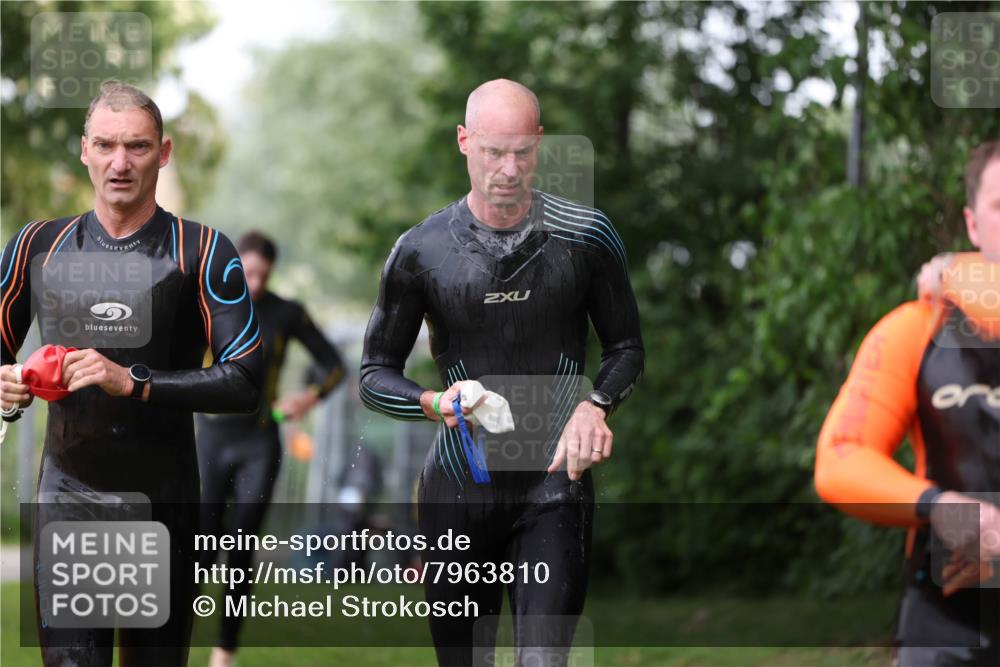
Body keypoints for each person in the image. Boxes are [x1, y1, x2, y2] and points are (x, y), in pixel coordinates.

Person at [359, 79, 644, 665]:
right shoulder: (420, 251)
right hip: (458, 490)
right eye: (493, 151)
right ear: (464, 142)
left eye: (522, 151)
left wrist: (596, 405)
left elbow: (626, 348)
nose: (508, 169)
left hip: (554, 483)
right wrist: (435, 402)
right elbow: (373, 374)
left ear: (540, 143)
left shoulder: (586, 237)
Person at [0, 80, 262, 667]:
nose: (121, 163)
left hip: (162, 503)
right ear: (84, 149)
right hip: (68, 494)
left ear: (163, 153)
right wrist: (8, 389)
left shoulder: (201, 251)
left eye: (138, 147)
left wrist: (133, 381)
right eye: (107, 145)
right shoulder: (38, 246)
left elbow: (245, 381)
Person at [815, 139, 1000, 666]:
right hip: (944, 628)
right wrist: (942, 508)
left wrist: (958, 269)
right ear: (972, 223)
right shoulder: (916, 328)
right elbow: (841, 458)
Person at [195, 230, 344, 667]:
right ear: (234, 266)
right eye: (248, 272)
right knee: (201, 544)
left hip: (259, 440)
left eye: (264, 274)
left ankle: (225, 649)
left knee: (242, 545)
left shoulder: (286, 313)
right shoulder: (208, 305)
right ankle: (176, 635)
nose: (255, 283)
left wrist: (308, 397)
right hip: (211, 437)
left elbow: (333, 364)